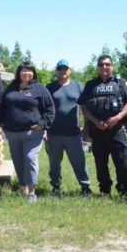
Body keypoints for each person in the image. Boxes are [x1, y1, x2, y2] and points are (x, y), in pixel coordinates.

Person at [78, 55, 127, 198]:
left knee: (122, 162)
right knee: (100, 163)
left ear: (112, 66)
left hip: (118, 130)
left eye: (107, 64)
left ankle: (123, 192)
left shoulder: (120, 83)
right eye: (101, 64)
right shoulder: (90, 85)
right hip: (98, 130)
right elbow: (84, 106)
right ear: (97, 67)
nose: (104, 67)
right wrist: (95, 121)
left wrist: (117, 118)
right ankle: (105, 191)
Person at [0, 61, 55, 203]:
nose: (26, 73)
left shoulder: (39, 89)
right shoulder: (11, 88)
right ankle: (23, 187)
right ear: (19, 73)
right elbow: (2, 107)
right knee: (18, 161)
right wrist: (1, 124)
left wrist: (42, 124)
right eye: (23, 71)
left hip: (33, 133)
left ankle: (32, 192)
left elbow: (50, 109)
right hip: (13, 133)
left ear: (33, 73)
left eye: (29, 71)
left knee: (30, 158)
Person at [45, 59, 92, 196]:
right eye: (60, 69)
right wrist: (45, 130)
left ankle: (85, 187)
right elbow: (45, 110)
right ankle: (56, 186)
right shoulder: (49, 88)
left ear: (70, 70)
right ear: (56, 71)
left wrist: (86, 129)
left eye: (65, 68)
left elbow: (85, 108)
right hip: (53, 133)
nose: (63, 71)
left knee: (79, 162)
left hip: (74, 133)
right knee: (54, 163)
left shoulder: (78, 86)